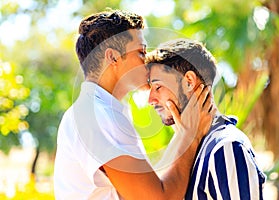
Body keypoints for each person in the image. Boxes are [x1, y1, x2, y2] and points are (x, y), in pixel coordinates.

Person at [54, 9, 215, 199]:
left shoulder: (101, 111)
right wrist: (191, 135)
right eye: (141, 52)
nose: (146, 61)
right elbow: (156, 197)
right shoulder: (95, 115)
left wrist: (184, 134)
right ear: (113, 57)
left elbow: (151, 183)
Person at [146, 38, 266, 200]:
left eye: (158, 87)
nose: (151, 100)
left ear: (188, 82)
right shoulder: (187, 151)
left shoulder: (225, 147)